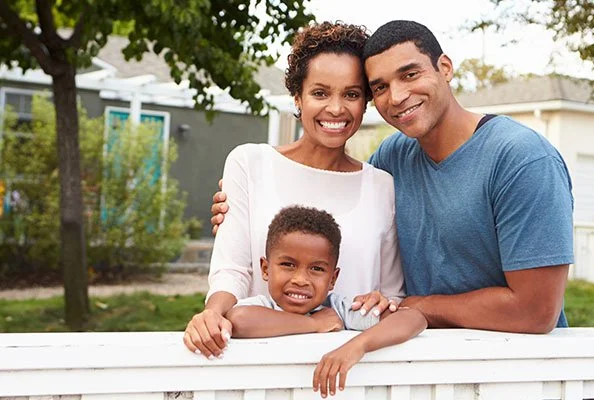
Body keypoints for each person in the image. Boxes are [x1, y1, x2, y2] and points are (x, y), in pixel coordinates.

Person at [210, 20, 574, 334]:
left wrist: (417, 305)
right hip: (416, 369)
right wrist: (243, 212)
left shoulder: (523, 159)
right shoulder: (392, 160)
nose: (397, 96)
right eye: (381, 86)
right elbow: (330, 210)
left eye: (410, 74)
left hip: (516, 369)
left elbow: (536, 312)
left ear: (444, 67)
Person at [184, 22, 405, 359]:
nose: (336, 108)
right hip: (261, 362)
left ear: (365, 102)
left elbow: (393, 294)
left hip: (352, 371)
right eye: (320, 93)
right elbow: (232, 268)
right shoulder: (249, 163)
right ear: (298, 97)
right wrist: (214, 313)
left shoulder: (381, 185)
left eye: (351, 94)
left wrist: (386, 302)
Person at [227, 205, 426, 398]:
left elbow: (413, 318)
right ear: (265, 269)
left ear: (333, 279)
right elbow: (239, 320)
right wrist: (313, 324)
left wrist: (356, 346)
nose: (300, 279)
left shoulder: (339, 311)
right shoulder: (263, 307)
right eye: (288, 264)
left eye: (317, 269)